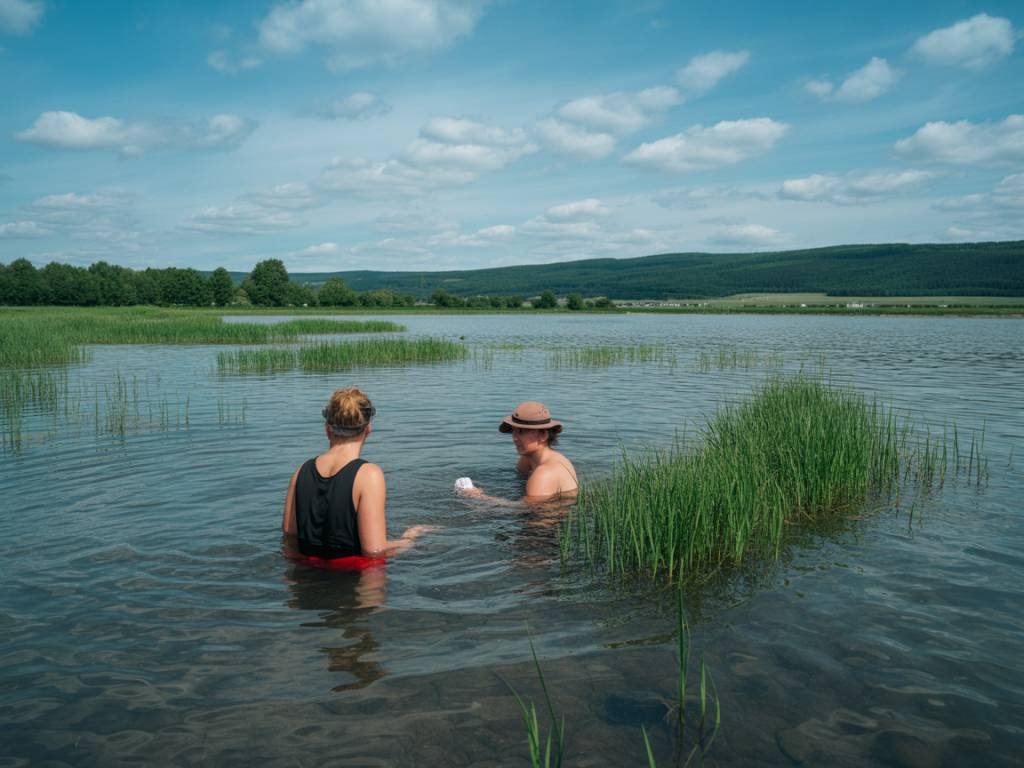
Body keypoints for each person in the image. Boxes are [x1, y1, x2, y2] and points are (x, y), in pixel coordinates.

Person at [282, 387, 432, 561]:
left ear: (327, 430)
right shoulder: (368, 475)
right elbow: (374, 551)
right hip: (351, 576)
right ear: (368, 430)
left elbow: (290, 535)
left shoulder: (300, 471)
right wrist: (409, 539)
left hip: (304, 575)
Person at [460, 401, 578, 504]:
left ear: (543, 435)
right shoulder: (528, 458)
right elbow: (518, 478)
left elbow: (526, 509)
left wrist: (478, 497)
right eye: (513, 430)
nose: (514, 437)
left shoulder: (544, 473)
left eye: (521, 431)